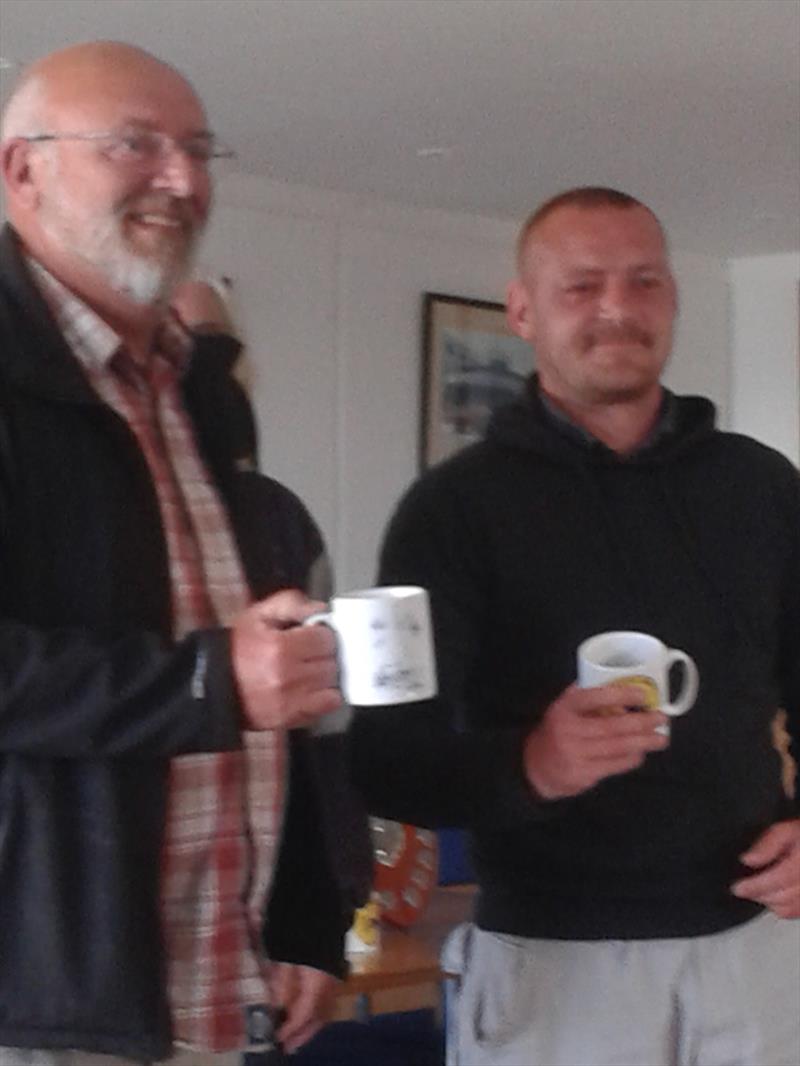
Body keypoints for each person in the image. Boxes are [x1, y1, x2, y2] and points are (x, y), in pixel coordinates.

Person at [350, 187, 800, 1066]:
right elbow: (382, 760)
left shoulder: (763, 486)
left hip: (760, 955)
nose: (618, 310)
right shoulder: (448, 511)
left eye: (644, 282)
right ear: (522, 310)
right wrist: (531, 765)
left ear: (673, 298)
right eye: (581, 286)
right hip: (551, 969)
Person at [0, 41, 371, 1066]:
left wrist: (308, 914)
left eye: (198, 149)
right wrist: (208, 677)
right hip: (39, 1011)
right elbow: (228, 680)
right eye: (135, 145)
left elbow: (290, 710)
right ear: (20, 169)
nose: (183, 178)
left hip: (219, 983)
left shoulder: (189, 396)